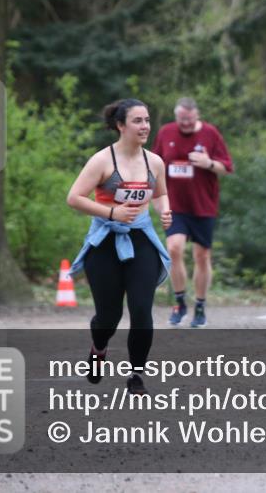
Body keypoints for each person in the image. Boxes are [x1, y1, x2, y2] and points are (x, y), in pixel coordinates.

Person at [66, 99, 172, 395]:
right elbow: (74, 197)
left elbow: (160, 193)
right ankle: (98, 348)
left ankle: (136, 375)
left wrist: (164, 209)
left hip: (141, 241)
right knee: (109, 317)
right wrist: (112, 213)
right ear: (120, 125)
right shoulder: (102, 161)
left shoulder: (155, 161)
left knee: (141, 311)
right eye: (138, 121)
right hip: (106, 243)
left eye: (147, 120)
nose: (145, 126)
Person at [152, 97, 233, 328]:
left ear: (197, 115)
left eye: (189, 119)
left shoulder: (210, 133)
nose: (185, 123)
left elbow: (226, 167)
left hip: (203, 206)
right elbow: (153, 165)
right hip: (175, 205)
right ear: (176, 117)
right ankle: (179, 303)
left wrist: (208, 163)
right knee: (174, 248)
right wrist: (156, 197)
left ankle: (200, 305)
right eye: (181, 119)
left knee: (202, 256)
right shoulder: (166, 132)